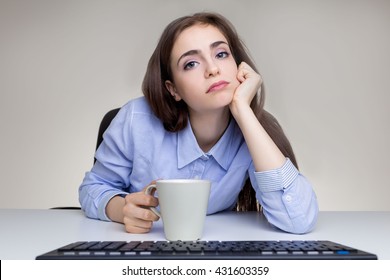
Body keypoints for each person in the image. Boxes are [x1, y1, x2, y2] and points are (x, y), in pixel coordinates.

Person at [79, 12, 318, 235]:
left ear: (239, 67)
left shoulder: (253, 130)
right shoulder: (135, 119)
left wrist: (244, 112)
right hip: (143, 249)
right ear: (173, 89)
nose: (213, 69)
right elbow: (93, 188)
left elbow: (298, 220)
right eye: (191, 63)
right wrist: (121, 210)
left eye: (221, 54)